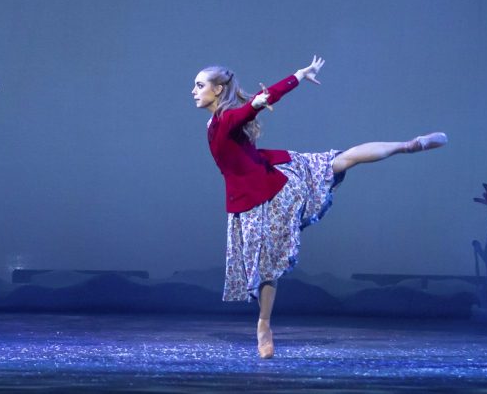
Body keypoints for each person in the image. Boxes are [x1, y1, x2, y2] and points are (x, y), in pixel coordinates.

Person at [191, 56, 446, 358]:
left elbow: (252, 107)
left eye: (199, 85)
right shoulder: (219, 119)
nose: (194, 91)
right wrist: (298, 76)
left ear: (218, 89)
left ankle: (263, 325)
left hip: (264, 194)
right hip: (270, 175)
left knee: (266, 266)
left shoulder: (226, 119)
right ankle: (407, 145)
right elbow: (250, 110)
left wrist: (276, 91)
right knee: (341, 159)